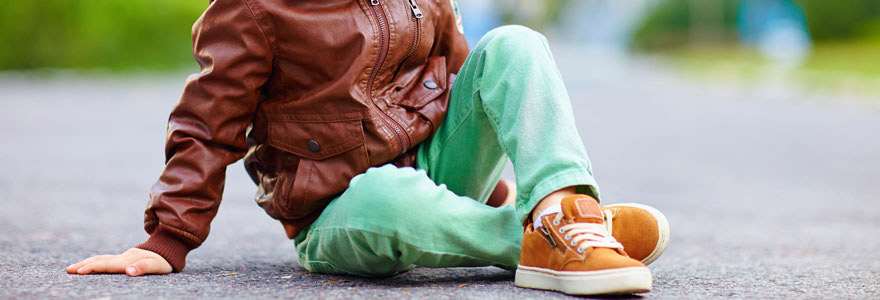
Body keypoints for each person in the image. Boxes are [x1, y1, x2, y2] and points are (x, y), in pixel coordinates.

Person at [65, 0, 670, 295]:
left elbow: (468, 83)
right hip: (342, 209)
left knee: (514, 44)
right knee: (389, 196)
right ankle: (544, 239)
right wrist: (168, 238)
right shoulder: (253, 8)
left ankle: (564, 210)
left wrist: (499, 178)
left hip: (436, 170)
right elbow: (206, 121)